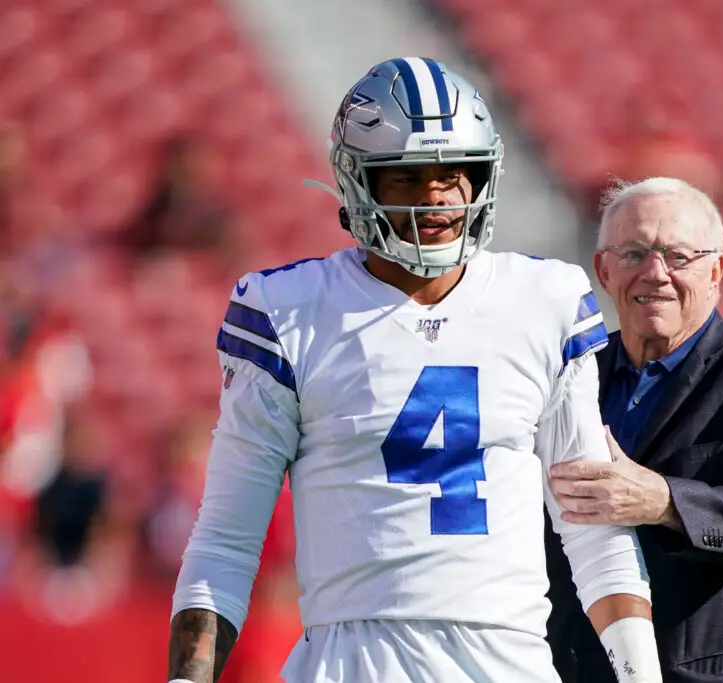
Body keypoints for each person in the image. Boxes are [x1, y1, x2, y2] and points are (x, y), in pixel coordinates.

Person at [167, 58, 662, 683]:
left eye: (455, 175)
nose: (437, 198)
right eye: (407, 177)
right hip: (352, 662)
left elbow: (594, 528)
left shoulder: (547, 301)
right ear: (356, 183)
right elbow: (226, 540)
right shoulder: (288, 311)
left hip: (509, 661)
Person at [544, 178, 723, 683]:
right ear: (603, 271)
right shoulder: (566, 374)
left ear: (716, 270)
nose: (656, 274)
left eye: (678, 256)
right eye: (633, 253)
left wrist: (662, 500)